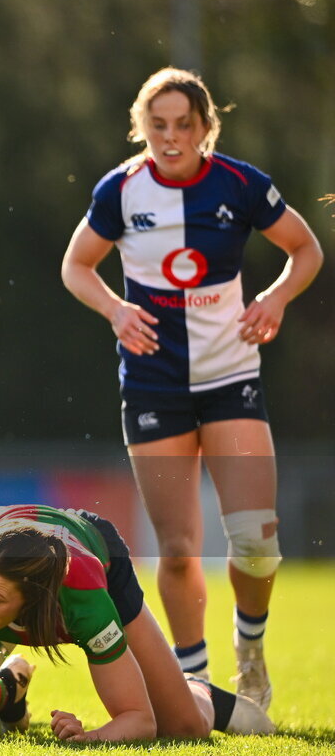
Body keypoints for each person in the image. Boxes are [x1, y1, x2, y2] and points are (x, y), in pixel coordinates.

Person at [61, 67, 323, 709]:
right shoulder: (119, 191)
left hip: (231, 376)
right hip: (154, 387)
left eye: (185, 125)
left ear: (208, 128)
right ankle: (195, 680)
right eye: (158, 126)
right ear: (140, 128)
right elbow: (76, 266)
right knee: (177, 549)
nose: (171, 137)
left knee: (258, 541)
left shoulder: (240, 184)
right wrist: (117, 311)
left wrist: (276, 297)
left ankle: (251, 650)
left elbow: (307, 249)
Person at [0, 504, 275, 743]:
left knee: (183, 728)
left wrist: (89, 739)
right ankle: (7, 689)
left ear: (35, 601)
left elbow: (137, 720)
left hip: (95, 550)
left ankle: (194, 688)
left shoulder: (85, 600)